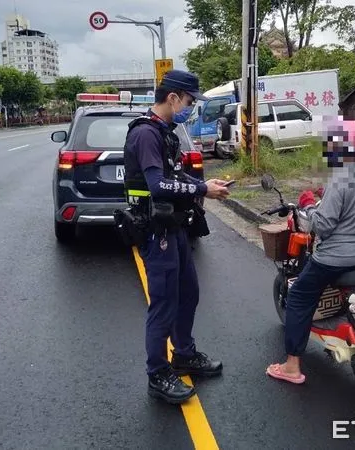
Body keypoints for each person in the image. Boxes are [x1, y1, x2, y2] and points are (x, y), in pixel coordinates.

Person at [123, 69, 230, 404]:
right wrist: (202, 189)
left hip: (175, 228)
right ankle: (158, 373)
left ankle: (183, 353)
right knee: (164, 304)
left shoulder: (164, 132)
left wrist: (206, 184)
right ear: (172, 98)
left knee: (189, 293)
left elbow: (174, 174)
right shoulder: (145, 134)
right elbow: (157, 185)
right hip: (157, 234)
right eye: (188, 101)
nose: (190, 108)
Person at [266, 118, 355, 384]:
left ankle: (291, 367)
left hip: (339, 259)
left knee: (299, 294)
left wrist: (310, 205)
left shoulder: (340, 179)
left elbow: (321, 226)